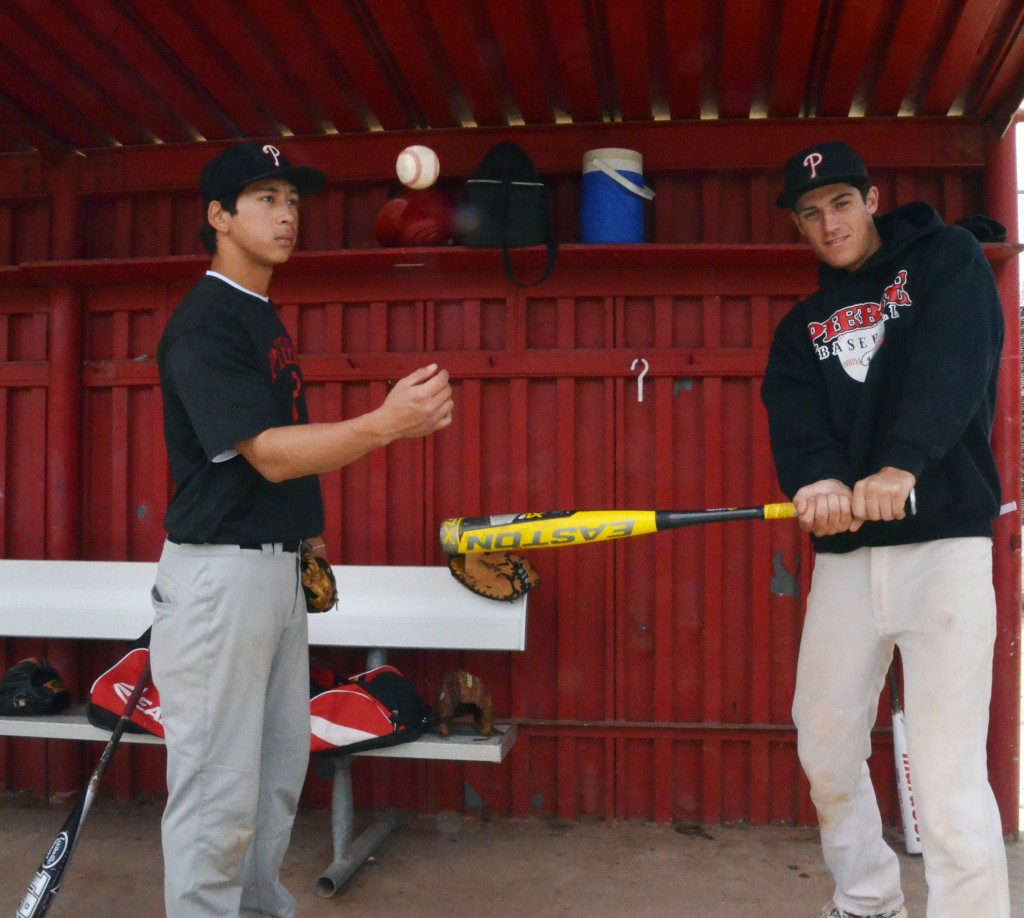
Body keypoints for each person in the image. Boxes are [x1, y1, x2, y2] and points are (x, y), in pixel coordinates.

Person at [151, 142, 453, 917]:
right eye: (264, 199)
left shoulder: (257, 314)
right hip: (220, 581)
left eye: (291, 199)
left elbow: (267, 460)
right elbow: (270, 454)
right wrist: (385, 424)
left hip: (269, 573)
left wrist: (304, 538)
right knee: (218, 793)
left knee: (274, 776)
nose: (287, 214)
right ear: (218, 217)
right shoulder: (207, 322)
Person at [761, 140, 1010, 918]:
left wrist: (902, 465)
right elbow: (798, 429)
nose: (828, 223)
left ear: (871, 199)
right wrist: (819, 483)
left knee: (947, 772)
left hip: (943, 548)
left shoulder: (947, 260)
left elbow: (956, 365)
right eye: (810, 213)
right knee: (825, 744)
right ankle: (866, 898)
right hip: (848, 560)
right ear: (800, 227)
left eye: (840, 203)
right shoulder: (801, 328)